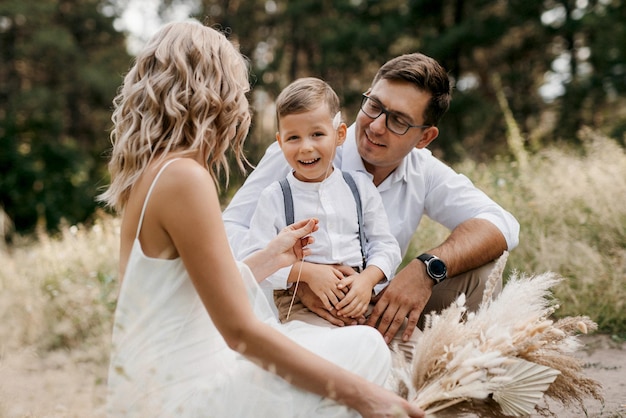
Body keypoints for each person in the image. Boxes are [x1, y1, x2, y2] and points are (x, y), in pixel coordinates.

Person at [99, 21, 423, 418]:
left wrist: (271, 258)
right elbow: (240, 333)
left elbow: (188, 295)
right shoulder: (184, 178)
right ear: (211, 93)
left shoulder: (154, 173)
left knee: (336, 348)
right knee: (365, 347)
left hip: (150, 386)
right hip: (179, 396)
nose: (242, 102)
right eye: (237, 88)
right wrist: (367, 397)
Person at [223, 53, 520, 345]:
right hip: (292, 310)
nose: (376, 126)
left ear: (424, 138)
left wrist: (425, 269)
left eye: (399, 121)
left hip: (374, 304)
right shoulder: (302, 149)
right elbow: (227, 229)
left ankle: (468, 378)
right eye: (374, 106)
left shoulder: (424, 171)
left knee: (483, 271)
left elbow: (502, 224)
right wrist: (297, 279)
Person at [239, 77, 401, 321]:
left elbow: (386, 245)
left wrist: (367, 280)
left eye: (317, 134)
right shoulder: (275, 197)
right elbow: (256, 263)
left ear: (339, 134)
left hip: (359, 293)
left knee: (407, 349)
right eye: (293, 138)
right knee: (322, 350)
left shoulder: (359, 187)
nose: (305, 147)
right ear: (280, 142)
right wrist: (307, 273)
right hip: (300, 301)